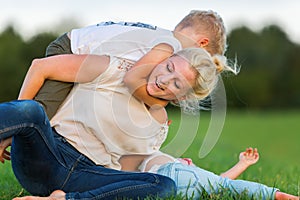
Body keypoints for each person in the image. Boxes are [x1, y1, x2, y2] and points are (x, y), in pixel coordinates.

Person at [0, 47, 233, 199]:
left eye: (177, 84)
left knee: (163, 185)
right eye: (168, 68)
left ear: (182, 97)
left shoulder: (160, 125)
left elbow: (136, 170)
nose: (164, 80)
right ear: (165, 60)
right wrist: (14, 128)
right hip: (46, 155)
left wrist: (177, 163)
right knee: (32, 110)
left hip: (87, 178)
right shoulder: (114, 68)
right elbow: (41, 66)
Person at [34, 10, 227, 119]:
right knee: (43, 110)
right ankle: (8, 132)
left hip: (80, 46)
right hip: (72, 47)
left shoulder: (162, 38)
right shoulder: (170, 46)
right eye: (201, 58)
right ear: (201, 44)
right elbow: (132, 79)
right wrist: (158, 105)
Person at [120, 147, 299, 200]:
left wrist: (243, 163)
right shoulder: (195, 176)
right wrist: (242, 164)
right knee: (225, 187)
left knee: (222, 186)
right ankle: (273, 194)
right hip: (176, 176)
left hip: (171, 182)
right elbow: (221, 181)